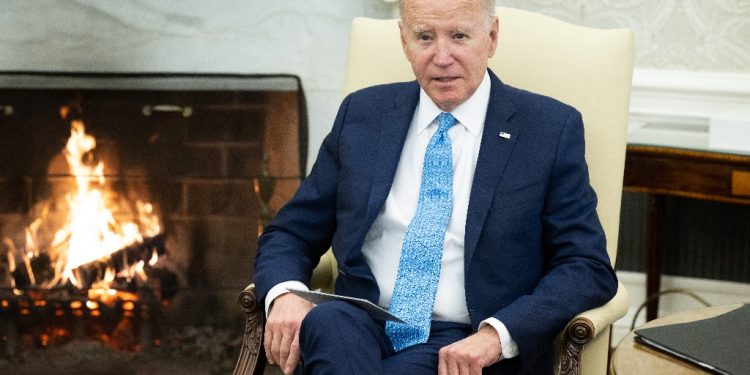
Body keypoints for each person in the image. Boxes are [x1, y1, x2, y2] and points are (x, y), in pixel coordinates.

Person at [253, 0, 618, 374]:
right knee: (327, 322)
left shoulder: (548, 130)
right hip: (361, 322)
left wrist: (497, 335)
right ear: (404, 41)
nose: (442, 57)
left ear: (491, 37)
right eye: (425, 37)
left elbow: (586, 265)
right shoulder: (362, 114)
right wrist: (284, 295)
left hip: (464, 340)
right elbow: (291, 233)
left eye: (459, 36)